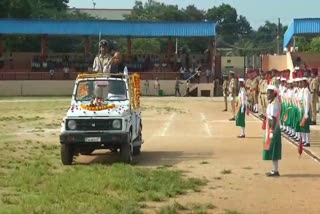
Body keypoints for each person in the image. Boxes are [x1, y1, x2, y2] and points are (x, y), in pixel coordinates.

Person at [263, 84, 282, 177]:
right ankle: (274, 169)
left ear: (274, 94)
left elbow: (274, 118)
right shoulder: (272, 102)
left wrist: (271, 131)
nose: (267, 95)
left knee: (274, 148)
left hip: (273, 128)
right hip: (270, 126)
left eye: (269, 93)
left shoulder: (274, 104)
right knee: (272, 148)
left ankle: (275, 170)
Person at [301, 77, 312, 147]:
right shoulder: (304, 90)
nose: (302, 84)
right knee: (303, 126)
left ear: (306, 83)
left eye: (303, 82)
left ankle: (307, 141)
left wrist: (306, 113)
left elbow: (307, 103)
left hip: (306, 111)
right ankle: (304, 140)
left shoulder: (307, 91)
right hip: (303, 110)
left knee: (306, 127)